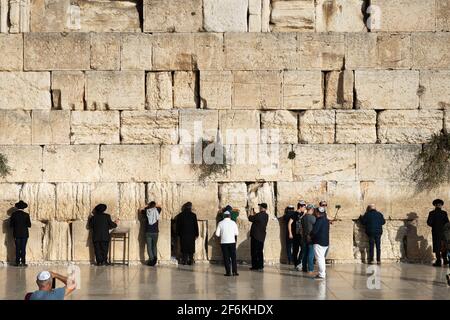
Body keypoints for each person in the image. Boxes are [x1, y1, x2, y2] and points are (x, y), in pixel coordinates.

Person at [215, 211, 239, 276]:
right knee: (233, 257)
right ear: (230, 216)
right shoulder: (233, 223)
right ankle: (234, 272)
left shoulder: (220, 223)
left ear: (224, 216)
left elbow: (217, 234)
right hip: (232, 242)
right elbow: (237, 233)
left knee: (226, 257)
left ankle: (228, 272)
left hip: (224, 242)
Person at [427, 199, 449, 267]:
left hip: (436, 232)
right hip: (443, 233)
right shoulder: (444, 213)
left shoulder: (431, 213)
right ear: (441, 205)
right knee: (443, 246)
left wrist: (434, 225)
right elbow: (447, 223)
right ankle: (445, 260)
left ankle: (438, 262)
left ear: (435, 205)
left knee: (437, 247)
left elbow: (429, 223)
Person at [9, 201, 31, 267]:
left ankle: (17, 262)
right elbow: (29, 225)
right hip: (24, 234)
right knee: (23, 248)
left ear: (17, 207)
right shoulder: (26, 215)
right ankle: (23, 262)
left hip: (16, 234)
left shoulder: (14, 215)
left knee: (17, 248)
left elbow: (11, 225)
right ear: (24, 208)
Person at [248, 203, 269, 271]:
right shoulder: (266, 215)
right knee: (260, 251)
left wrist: (251, 213)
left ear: (262, 208)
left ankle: (255, 266)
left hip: (255, 236)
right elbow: (258, 218)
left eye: (260, 207)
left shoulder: (259, 215)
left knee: (254, 252)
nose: (259, 208)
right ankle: (260, 266)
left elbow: (250, 218)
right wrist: (255, 214)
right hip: (261, 236)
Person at [310, 206, 329, 280]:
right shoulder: (326, 220)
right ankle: (322, 273)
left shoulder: (319, 221)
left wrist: (310, 236)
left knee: (320, 258)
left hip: (319, 242)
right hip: (325, 242)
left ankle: (321, 275)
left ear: (318, 213)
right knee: (322, 258)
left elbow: (314, 231)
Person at [141, 201, 161, 266]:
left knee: (149, 247)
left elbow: (140, 209)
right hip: (155, 232)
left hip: (148, 231)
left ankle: (151, 259)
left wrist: (147, 205)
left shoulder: (146, 211)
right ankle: (155, 258)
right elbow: (159, 206)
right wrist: (154, 205)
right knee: (154, 246)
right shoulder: (157, 210)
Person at [288, 201, 307, 270]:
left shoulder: (303, 213)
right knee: (295, 250)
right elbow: (289, 223)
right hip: (295, 235)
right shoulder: (294, 214)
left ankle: (299, 262)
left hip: (301, 235)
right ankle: (296, 264)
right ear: (300, 207)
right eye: (304, 207)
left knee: (303, 248)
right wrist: (290, 233)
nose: (305, 208)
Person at [301, 204, 316, 274]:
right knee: (311, 254)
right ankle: (310, 269)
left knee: (305, 253)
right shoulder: (313, 218)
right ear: (312, 209)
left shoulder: (303, 218)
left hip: (304, 237)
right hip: (311, 238)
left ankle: (304, 268)